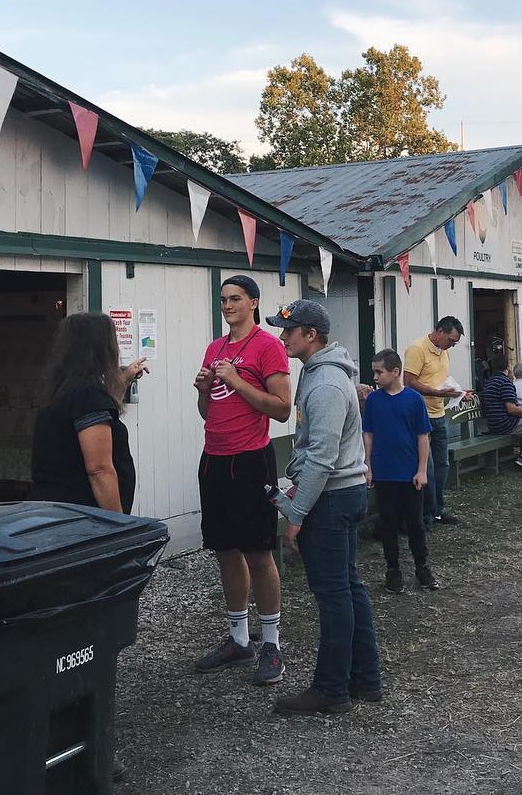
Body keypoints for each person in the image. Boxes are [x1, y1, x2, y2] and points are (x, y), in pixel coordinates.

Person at [268, 300, 379, 715]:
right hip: (342, 493)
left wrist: (296, 516)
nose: (283, 337)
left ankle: (331, 690)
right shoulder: (321, 375)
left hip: (332, 499)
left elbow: (322, 456)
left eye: (289, 330)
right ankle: (365, 680)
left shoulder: (326, 384)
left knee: (334, 596)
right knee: (349, 588)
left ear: (311, 334)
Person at [192, 275, 293, 685]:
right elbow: (208, 412)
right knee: (225, 550)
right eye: (222, 298)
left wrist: (236, 380)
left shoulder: (268, 346)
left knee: (258, 551)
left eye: (235, 298)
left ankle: (271, 644)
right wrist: (202, 390)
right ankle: (238, 639)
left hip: (251, 460)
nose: (227, 304)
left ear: (253, 302)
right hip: (214, 458)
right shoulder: (215, 347)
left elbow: (283, 409)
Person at [29, 313, 148, 512]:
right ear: (101, 349)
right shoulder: (88, 395)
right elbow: (99, 469)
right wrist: (118, 525)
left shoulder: (61, 390)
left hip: (53, 509)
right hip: (82, 517)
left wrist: (123, 379)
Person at [362, 350, 437, 595]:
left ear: (395, 372)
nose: (375, 377)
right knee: (388, 523)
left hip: (409, 474)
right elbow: (368, 434)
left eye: (379, 372)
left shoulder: (414, 399)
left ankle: (421, 567)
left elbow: (422, 436)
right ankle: (392, 569)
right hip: (384, 474)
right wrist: (369, 466)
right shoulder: (373, 401)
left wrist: (422, 470)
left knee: (415, 523)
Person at [403, 317, 471, 527]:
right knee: (428, 468)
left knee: (442, 464)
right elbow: (409, 382)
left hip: (439, 414)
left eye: (455, 343)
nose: (452, 345)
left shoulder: (444, 352)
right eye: (451, 340)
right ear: (440, 331)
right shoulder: (417, 349)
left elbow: (441, 379)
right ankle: (425, 513)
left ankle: (437, 510)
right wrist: (438, 393)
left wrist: (458, 393)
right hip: (421, 415)